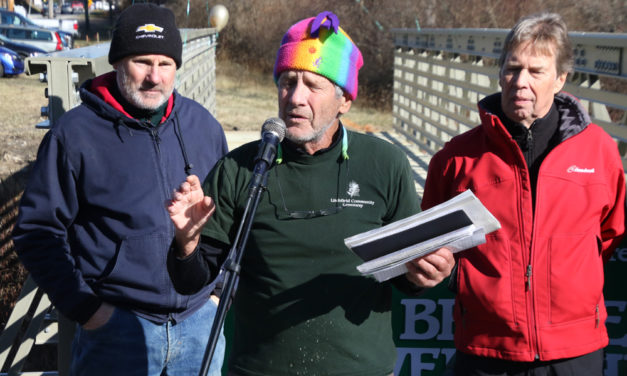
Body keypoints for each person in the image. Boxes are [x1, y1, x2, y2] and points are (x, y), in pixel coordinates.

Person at [166, 11, 455, 376]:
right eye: (287, 82)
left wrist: (424, 274)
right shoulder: (241, 167)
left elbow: (403, 276)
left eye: (312, 85)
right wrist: (187, 242)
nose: (295, 98)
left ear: (345, 100)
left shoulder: (385, 163)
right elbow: (192, 279)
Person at [12, 3, 228, 376]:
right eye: (142, 62)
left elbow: (229, 216)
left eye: (165, 64)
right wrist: (89, 311)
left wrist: (217, 292)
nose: (154, 77)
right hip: (119, 329)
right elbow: (37, 231)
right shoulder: (74, 135)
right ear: (116, 63)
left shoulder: (202, 126)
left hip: (200, 325)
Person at [421, 12, 625, 376]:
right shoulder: (456, 159)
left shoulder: (599, 152)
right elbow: (431, 243)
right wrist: (462, 280)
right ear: (499, 73)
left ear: (561, 79)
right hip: (487, 349)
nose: (520, 82)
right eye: (512, 69)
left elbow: (610, 234)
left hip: (574, 351)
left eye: (536, 71)